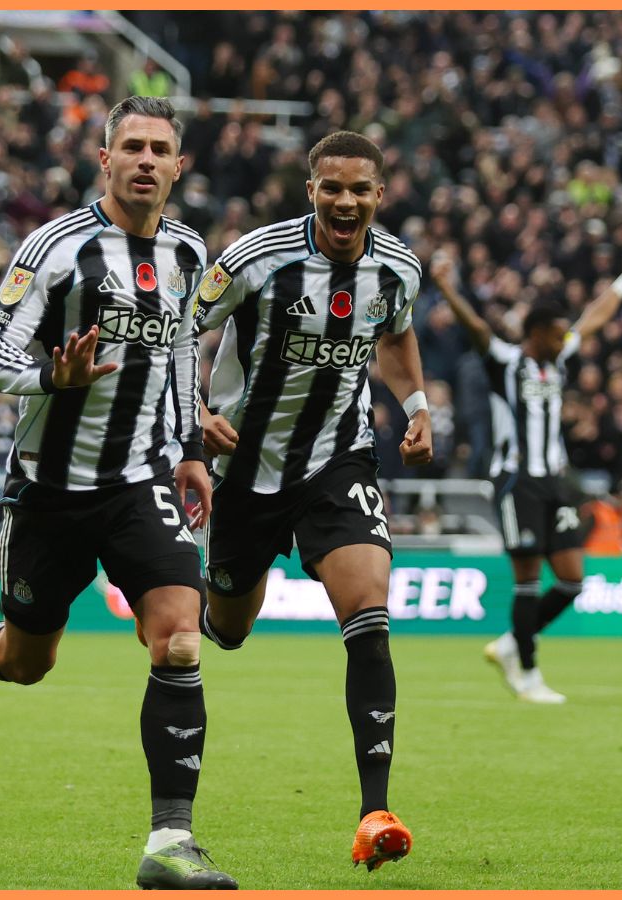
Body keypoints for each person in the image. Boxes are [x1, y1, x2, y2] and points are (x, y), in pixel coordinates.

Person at [0, 97, 234, 890]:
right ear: (104, 160)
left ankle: (169, 843)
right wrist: (53, 374)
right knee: (25, 660)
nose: (146, 161)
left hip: (140, 482)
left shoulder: (187, 252)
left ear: (179, 166)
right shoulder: (53, 247)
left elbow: (181, 350)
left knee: (180, 637)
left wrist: (186, 450)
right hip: (48, 490)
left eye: (160, 149)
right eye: (132, 148)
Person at [191, 130, 432, 872]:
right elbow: (179, 330)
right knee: (227, 627)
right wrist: (193, 414)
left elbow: (394, 337)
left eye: (359, 189)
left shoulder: (397, 268)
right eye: (332, 187)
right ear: (311, 190)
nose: (345, 201)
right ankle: (197, 595)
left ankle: (375, 811)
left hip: (337, 458)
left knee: (368, 606)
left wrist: (417, 402)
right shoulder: (254, 259)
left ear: (379, 195)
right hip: (243, 469)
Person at [433, 247, 622, 703]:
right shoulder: (506, 361)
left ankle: (514, 643)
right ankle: (528, 674)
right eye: (555, 336)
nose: (564, 340)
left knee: (572, 579)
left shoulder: (556, 356)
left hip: (555, 478)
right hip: (516, 481)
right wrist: (448, 288)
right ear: (535, 335)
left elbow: (594, 317)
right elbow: (476, 328)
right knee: (528, 578)